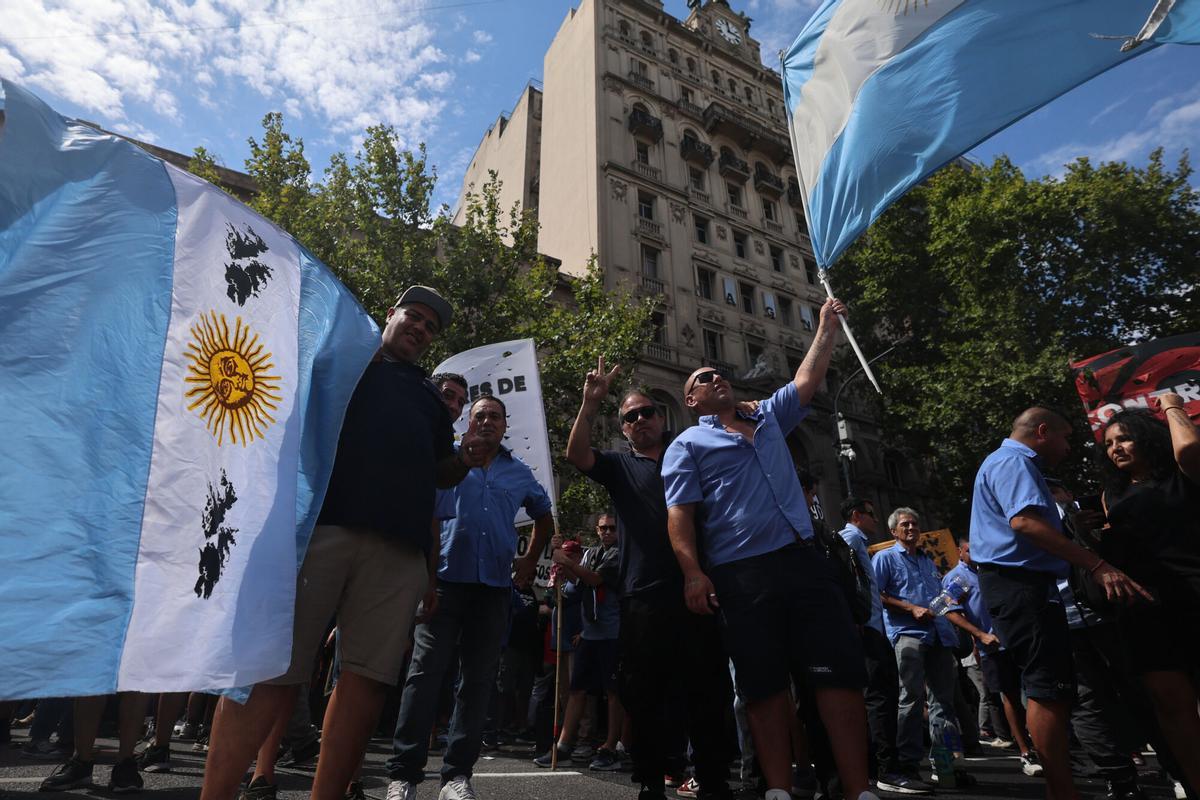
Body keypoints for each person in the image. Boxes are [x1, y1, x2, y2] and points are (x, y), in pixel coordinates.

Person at [200, 286, 476, 800]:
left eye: (430, 327)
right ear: (389, 315)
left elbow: (439, 473)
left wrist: (465, 458)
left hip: (399, 554)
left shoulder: (430, 399)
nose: (420, 328)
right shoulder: (340, 359)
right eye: (414, 316)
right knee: (269, 668)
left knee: (366, 681)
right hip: (318, 532)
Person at [662, 298, 877, 800]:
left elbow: (806, 380)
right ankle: (778, 788)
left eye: (719, 373)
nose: (717, 377)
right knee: (762, 684)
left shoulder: (768, 417)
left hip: (805, 563)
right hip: (742, 576)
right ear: (690, 401)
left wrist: (825, 327)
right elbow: (680, 516)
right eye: (704, 378)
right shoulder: (687, 446)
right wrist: (693, 572)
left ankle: (858, 789)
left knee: (838, 677)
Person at [563, 359, 735, 800]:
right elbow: (576, 455)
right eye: (630, 417)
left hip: (700, 587)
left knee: (708, 688)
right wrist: (590, 403)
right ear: (623, 429)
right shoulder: (619, 466)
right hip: (643, 596)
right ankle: (652, 780)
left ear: (662, 417)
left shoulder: (688, 451)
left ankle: (713, 779)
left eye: (646, 412)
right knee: (645, 692)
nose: (639, 420)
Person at [969, 406, 1149, 800]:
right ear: (1042, 431)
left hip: (1025, 586)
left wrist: (1069, 529)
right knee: (1048, 689)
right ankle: (1062, 791)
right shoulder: (1014, 461)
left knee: (1053, 688)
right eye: (1065, 437)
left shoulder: (1009, 462)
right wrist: (1097, 565)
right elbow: (1024, 523)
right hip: (1020, 586)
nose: (1069, 447)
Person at [385, 394, 554, 800]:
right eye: (481, 415)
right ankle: (404, 775)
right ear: (469, 423)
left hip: (493, 590)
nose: (488, 421)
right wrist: (424, 580)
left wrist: (530, 559)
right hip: (442, 583)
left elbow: (544, 517)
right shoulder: (450, 462)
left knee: (477, 684)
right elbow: (427, 517)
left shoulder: (519, 472)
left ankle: (456, 777)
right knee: (423, 676)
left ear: (505, 425)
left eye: (495, 416)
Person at [1098, 395, 1200, 797]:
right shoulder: (1112, 494)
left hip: (1193, 595)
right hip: (1145, 612)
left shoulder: (1182, 472)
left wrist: (1173, 406)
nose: (1115, 449)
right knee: (1171, 706)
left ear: (1147, 439)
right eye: (1109, 443)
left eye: (1124, 439)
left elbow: (1189, 448)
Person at [872, 508, 973, 786]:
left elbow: (939, 598)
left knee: (944, 703)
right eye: (905, 524)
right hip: (908, 634)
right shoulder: (885, 558)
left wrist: (950, 598)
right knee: (911, 700)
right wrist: (910, 608)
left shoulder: (927, 560)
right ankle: (908, 765)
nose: (911, 528)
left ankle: (946, 766)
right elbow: (876, 594)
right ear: (893, 531)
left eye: (915, 523)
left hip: (939, 635)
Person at [838, 498, 928, 795]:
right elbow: (842, 576)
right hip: (867, 629)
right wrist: (855, 616)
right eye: (872, 514)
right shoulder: (849, 538)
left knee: (882, 697)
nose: (876, 520)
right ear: (857, 516)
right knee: (879, 699)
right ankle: (887, 769)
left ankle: (881, 766)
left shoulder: (858, 542)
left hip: (873, 629)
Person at [941, 538, 1043, 777]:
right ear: (959, 551)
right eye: (969, 550)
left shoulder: (994, 567)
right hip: (994, 647)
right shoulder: (958, 578)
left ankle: (1047, 748)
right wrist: (980, 635)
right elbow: (947, 609)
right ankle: (1026, 752)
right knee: (1011, 697)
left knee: (1038, 693)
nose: (975, 554)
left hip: (1020, 639)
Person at [536, 514, 625, 770]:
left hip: (611, 633)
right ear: (597, 530)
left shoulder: (618, 554)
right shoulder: (591, 553)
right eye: (603, 528)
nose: (607, 532)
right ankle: (564, 745)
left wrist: (565, 560)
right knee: (576, 690)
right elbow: (578, 583)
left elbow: (594, 579)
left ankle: (610, 747)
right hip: (589, 633)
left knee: (613, 692)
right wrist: (561, 563)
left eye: (612, 528)